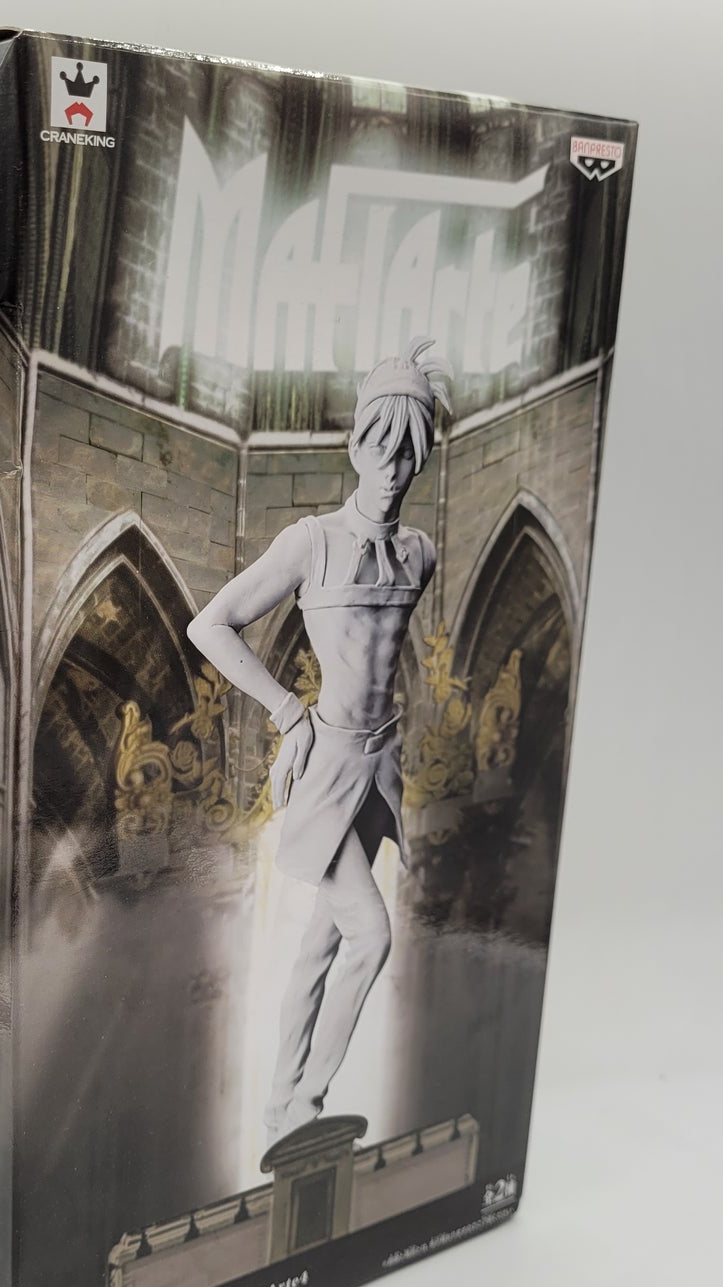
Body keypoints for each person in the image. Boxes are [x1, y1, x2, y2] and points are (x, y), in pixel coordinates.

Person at [187, 336, 453, 1147]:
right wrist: (285, 710)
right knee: (371, 934)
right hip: (323, 766)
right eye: (378, 446)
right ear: (354, 443)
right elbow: (210, 624)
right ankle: (307, 1097)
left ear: (420, 459)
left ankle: (276, 1102)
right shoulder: (310, 541)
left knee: (320, 942)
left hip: (379, 766)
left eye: (406, 453)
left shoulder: (420, 552)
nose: (390, 468)